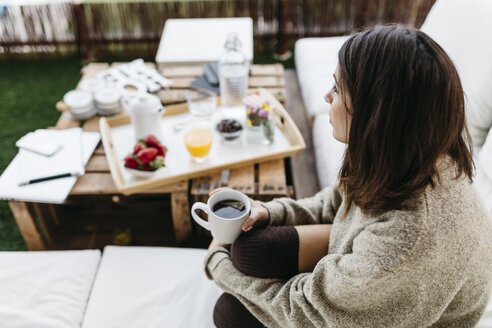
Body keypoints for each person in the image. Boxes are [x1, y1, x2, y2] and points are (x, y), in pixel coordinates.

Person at [204, 25, 492, 328]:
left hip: (397, 301)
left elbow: (305, 312)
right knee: (251, 251)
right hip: (377, 276)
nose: (327, 96)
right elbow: (337, 201)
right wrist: (272, 212)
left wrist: (220, 268)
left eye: (339, 89)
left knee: (229, 312)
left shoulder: (406, 242)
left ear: (377, 113)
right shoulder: (408, 152)